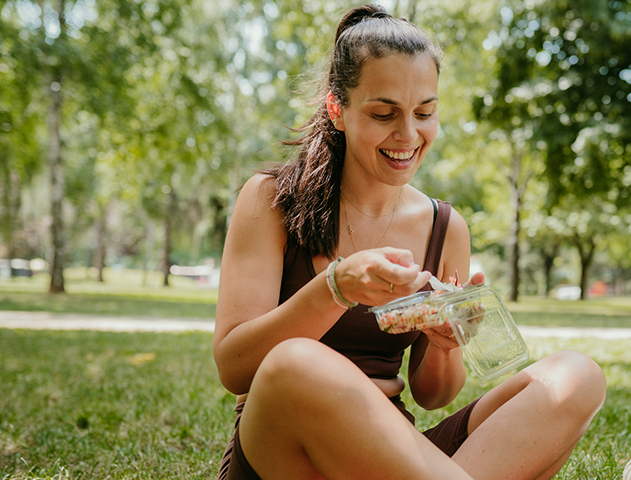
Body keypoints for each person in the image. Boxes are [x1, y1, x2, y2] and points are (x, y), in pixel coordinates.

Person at [213, 5, 607, 479]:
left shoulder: (445, 226)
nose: (407, 135)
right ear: (337, 110)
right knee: (296, 363)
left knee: (576, 377)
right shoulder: (270, 199)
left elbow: (432, 395)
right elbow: (235, 367)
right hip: (287, 455)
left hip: (396, 458)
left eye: (425, 112)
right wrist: (336, 287)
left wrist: (444, 343)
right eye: (384, 113)